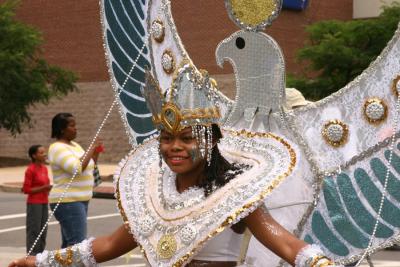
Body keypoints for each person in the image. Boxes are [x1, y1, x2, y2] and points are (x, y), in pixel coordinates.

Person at [8, 68, 340, 267]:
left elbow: (284, 243)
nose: (175, 147)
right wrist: (40, 260)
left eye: (187, 139)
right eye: (167, 139)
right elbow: (108, 246)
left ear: (208, 143)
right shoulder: (155, 194)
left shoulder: (234, 190)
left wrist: (319, 263)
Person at [46, 113, 102, 248]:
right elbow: (76, 168)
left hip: (79, 200)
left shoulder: (75, 146)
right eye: (72, 125)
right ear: (62, 129)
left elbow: (89, 166)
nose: (76, 128)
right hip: (68, 201)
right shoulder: (57, 148)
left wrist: (95, 153)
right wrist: (91, 148)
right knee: (78, 245)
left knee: (69, 246)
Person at [22, 145, 52, 255]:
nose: (44, 154)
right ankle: (31, 255)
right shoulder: (30, 170)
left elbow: (46, 184)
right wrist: (43, 188)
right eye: (41, 153)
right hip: (34, 203)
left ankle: (40, 255)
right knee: (34, 231)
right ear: (34, 156)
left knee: (43, 230)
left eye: (44, 152)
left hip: (44, 202)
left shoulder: (44, 168)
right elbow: (26, 189)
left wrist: (48, 190)